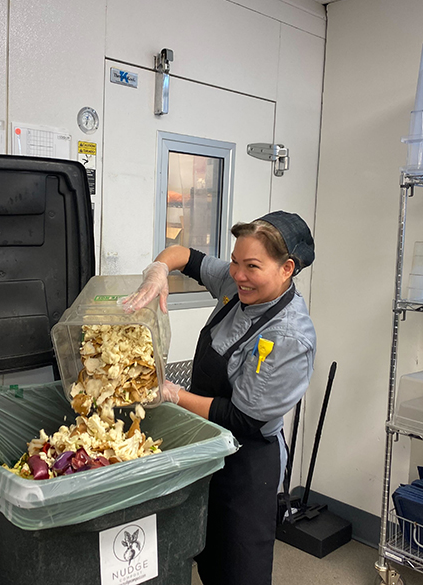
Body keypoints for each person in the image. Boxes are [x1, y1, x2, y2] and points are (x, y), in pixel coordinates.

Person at [122, 210, 316, 585]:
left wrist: (172, 394)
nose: (238, 275)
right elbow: (184, 256)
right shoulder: (235, 282)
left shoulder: (289, 337)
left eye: (252, 266)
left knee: (238, 569)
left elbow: (246, 418)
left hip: (247, 465)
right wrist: (158, 271)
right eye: (235, 261)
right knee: (205, 553)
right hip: (207, 446)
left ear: (287, 268)